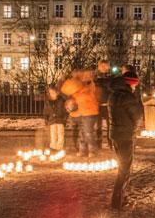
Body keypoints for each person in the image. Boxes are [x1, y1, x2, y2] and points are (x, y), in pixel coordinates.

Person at [107, 66, 144, 210]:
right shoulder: (128, 97)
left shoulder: (113, 95)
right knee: (124, 169)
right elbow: (137, 116)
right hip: (126, 135)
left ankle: (120, 197)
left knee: (122, 166)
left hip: (114, 134)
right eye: (134, 85)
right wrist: (134, 130)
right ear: (130, 83)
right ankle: (118, 200)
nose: (135, 87)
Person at [61, 71, 100, 157]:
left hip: (90, 113)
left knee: (88, 132)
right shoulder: (76, 91)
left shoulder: (89, 88)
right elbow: (65, 93)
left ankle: (92, 150)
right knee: (83, 132)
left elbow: (93, 88)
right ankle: (83, 150)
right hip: (82, 114)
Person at [44, 85, 68, 152]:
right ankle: (53, 147)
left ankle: (59, 147)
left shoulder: (61, 100)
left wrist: (65, 118)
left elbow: (65, 110)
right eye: (50, 92)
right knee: (53, 134)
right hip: (52, 120)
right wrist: (46, 119)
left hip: (60, 120)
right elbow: (46, 111)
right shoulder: (48, 101)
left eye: (53, 92)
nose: (52, 94)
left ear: (57, 92)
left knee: (60, 134)